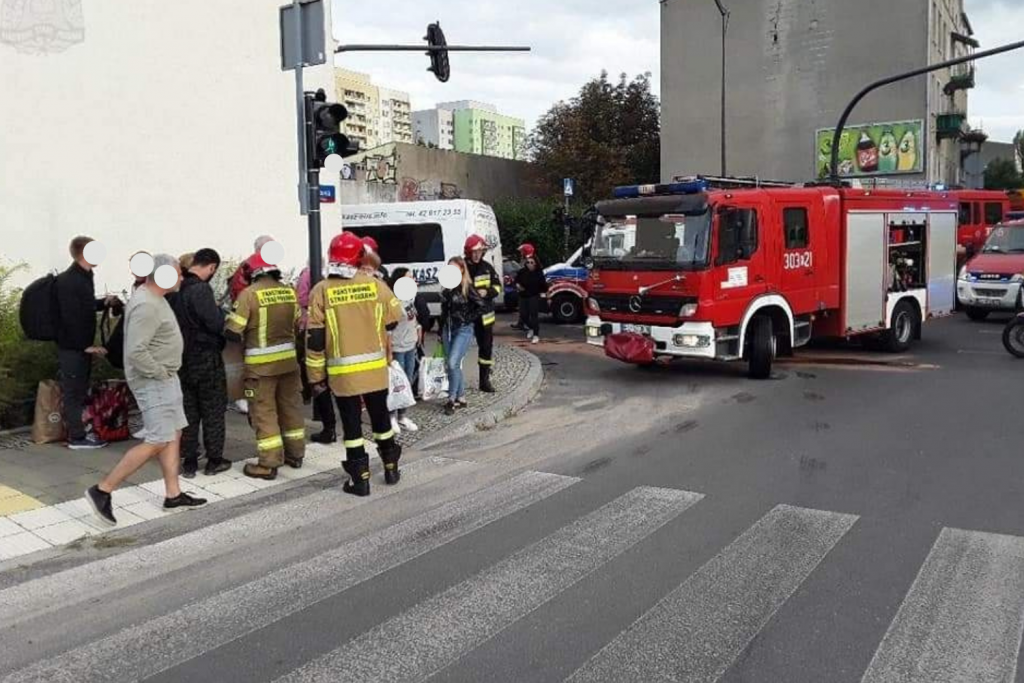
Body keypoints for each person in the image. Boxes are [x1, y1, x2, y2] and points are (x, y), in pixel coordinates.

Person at [85, 254, 207, 526]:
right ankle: (103, 489)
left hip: (165, 378)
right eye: (177, 272)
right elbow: (136, 351)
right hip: (155, 381)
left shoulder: (154, 299)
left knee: (173, 433)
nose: (181, 277)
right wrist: (159, 371)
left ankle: (173, 494)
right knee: (158, 439)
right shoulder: (146, 305)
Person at [306, 232, 404, 497]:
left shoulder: (321, 290)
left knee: (352, 428)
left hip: (343, 375)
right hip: (374, 371)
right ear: (360, 257)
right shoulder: (376, 285)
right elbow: (395, 318)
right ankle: (391, 466)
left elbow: (314, 341)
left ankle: (360, 480)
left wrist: (315, 377)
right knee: (381, 420)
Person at [225, 252, 305, 480]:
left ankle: (268, 464)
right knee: (290, 409)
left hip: (260, 370)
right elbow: (298, 324)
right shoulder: (288, 292)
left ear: (253, 273)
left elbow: (233, 331)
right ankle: (295, 454)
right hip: (289, 364)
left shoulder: (249, 295)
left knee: (264, 412)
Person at [55, 235, 122, 450]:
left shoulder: (83, 276)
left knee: (79, 390)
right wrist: (83, 346)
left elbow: (84, 307)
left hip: (77, 348)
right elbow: (68, 316)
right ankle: (76, 438)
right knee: (73, 392)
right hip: (72, 348)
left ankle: (80, 433)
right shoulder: (70, 280)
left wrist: (104, 302)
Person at [170, 248, 230, 478]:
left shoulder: (176, 289)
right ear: (212, 267)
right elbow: (215, 323)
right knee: (213, 409)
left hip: (182, 358)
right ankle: (215, 460)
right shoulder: (200, 289)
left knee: (189, 411)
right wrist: (221, 315)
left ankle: (190, 460)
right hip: (205, 358)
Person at [440, 256, 484, 416]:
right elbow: (444, 312)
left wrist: (467, 319)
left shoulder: (467, 287)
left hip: (463, 329)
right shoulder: (446, 289)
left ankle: (451, 399)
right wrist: (440, 331)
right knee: (452, 364)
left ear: (461, 270)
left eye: (454, 268)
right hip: (448, 329)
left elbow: (481, 305)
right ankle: (461, 396)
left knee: (452, 363)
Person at [387, 268, 428, 434]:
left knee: (409, 380)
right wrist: (388, 350)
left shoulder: (410, 297)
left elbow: (415, 316)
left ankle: (403, 416)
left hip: (411, 345)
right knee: (397, 384)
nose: (413, 281)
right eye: (408, 278)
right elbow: (388, 327)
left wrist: (418, 328)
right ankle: (391, 417)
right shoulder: (392, 301)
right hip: (397, 346)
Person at [464, 235, 501, 393]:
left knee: (486, 349)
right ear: (468, 252)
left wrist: (488, 291)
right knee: (459, 349)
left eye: (480, 251)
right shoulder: (461, 267)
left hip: (484, 317)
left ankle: (484, 380)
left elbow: (498, 286)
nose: (477, 254)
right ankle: (454, 383)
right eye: (474, 251)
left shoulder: (487, 267)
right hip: (466, 316)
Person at [516, 253, 549, 344]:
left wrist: (543, 292)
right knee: (523, 316)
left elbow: (544, 286)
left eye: (531, 262)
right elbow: (516, 280)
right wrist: (518, 285)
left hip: (533, 296)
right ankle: (530, 328)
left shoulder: (538, 273)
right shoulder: (522, 271)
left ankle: (536, 335)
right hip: (523, 296)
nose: (529, 264)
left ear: (535, 263)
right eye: (527, 262)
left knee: (534, 316)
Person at [511, 243, 536, 332]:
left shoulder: (530, 261)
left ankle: (527, 325)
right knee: (521, 307)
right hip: (522, 289)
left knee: (526, 308)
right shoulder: (524, 260)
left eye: (522, 251)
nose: (520, 253)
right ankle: (521, 323)